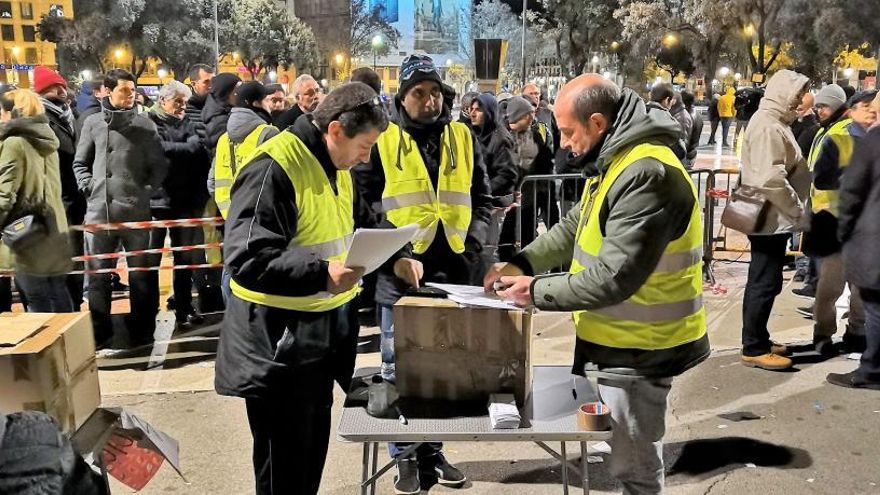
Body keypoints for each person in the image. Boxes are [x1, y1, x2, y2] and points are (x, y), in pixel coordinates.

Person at [485, 74, 709, 494]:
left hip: (642, 348)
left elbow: (613, 277)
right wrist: (520, 262)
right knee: (623, 457)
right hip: (618, 341)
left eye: (569, 132)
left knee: (636, 469)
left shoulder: (646, 174)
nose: (564, 143)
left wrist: (533, 291)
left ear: (598, 122)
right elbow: (576, 226)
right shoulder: (616, 159)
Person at [214, 82, 387, 495]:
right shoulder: (273, 167)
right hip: (278, 347)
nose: (368, 156)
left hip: (318, 347)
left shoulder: (336, 167)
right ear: (335, 130)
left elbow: (359, 221)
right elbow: (247, 258)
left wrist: (395, 254)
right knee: (283, 471)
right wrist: (322, 273)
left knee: (307, 464)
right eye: (364, 145)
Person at [354, 54, 491, 494]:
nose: (429, 101)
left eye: (435, 92)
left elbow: (483, 197)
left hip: (454, 270)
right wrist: (392, 248)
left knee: (445, 367)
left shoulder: (462, 135)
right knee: (400, 369)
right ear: (402, 97)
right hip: (400, 275)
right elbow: (366, 202)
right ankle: (404, 456)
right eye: (419, 93)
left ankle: (432, 449)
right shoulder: (384, 138)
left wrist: (476, 243)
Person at [73, 69, 168, 347]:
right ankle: (100, 332)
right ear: (108, 91)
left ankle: (141, 330)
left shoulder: (145, 125)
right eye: (124, 90)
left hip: (135, 212)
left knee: (141, 276)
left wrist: (144, 192)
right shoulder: (92, 123)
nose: (130, 95)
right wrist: (89, 187)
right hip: (99, 213)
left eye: (132, 90)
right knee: (98, 277)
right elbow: (80, 163)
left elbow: (159, 167)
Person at [737, 70, 811, 370]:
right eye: (797, 94)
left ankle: (758, 338)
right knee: (764, 281)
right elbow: (771, 178)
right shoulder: (769, 126)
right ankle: (754, 346)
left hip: (771, 216)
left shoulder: (773, 122)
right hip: (770, 217)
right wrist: (796, 210)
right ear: (783, 93)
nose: (799, 101)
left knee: (764, 280)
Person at [805, 88, 876, 356]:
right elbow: (821, 181)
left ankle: (856, 333)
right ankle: (823, 334)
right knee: (829, 288)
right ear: (851, 110)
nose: (871, 112)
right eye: (866, 107)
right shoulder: (837, 139)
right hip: (837, 227)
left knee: (862, 291)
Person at [146, 80, 212, 328]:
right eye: (178, 102)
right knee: (149, 261)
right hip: (156, 201)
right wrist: (186, 148)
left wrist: (182, 150)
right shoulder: (151, 121)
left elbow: (196, 151)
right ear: (163, 101)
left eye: (185, 102)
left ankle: (184, 307)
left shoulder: (186, 122)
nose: (182, 107)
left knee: (184, 259)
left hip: (184, 201)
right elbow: (158, 150)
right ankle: (148, 311)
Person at [0, 89, 73, 312]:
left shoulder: (14, 143)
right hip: (53, 227)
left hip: (26, 233)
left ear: (10, 112)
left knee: (35, 299)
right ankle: (71, 344)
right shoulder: (46, 138)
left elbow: (5, 194)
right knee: (57, 292)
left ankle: (48, 347)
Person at [829, 119, 880, 390]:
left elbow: (851, 190)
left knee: (875, 307)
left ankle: (872, 370)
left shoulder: (874, 140)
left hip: (874, 239)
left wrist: (845, 229)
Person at [34, 66, 83, 308]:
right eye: (55, 87)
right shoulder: (40, 120)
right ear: (43, 90)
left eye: (63, 86)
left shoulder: (69, 116)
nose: (62, 91)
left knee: (76, 262)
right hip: (56, 202)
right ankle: (66, 315)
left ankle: (75, 311)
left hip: (74, 200)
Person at [499, 95, 557, 261]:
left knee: (528, 234)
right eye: (528, 114)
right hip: (511, 198)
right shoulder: (503, 136)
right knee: (508, 237)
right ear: (518, 115)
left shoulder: (536, 134)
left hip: (532, 194)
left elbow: (544, 159)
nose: (532, 116)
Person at [210, 82, 280, 220]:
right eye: (266, 100)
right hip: (261, 219)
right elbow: (280, 180)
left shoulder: (224, 139)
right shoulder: (268, 133)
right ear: (254, 104)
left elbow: (212, 182)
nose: (270, 106)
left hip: (230, 218)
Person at [471, 92, 519, 271]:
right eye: (472, 109)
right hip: (482, 203)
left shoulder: (500, 138)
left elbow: (508, 174)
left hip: (495, 204)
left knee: (488, 250)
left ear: (489, 112)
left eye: (479, 110)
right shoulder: (476, 135)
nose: (474, 113)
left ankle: (491, 285)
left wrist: (484, 190)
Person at [202, 72, 241, 153]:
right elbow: (221, 154)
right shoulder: (220, 121)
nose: (240, 93)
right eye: (237, 90)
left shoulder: (226, 112)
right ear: (226, 93)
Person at [523, 83, 560, 151]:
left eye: (536, 93)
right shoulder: (517, 115)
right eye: (531, 94)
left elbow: (558, 137)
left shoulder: (548, 114)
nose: (535, 96)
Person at [185, 64, 215, 141]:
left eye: (213, 81)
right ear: (193, 84)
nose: (211, 86)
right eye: (206, 82)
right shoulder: (183, 112)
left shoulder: (221, 108)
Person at [682, 90, 703, 168]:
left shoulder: (686, 116)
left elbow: (685, 139)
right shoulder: (697, 114)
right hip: (692, 152)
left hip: (686, 154)